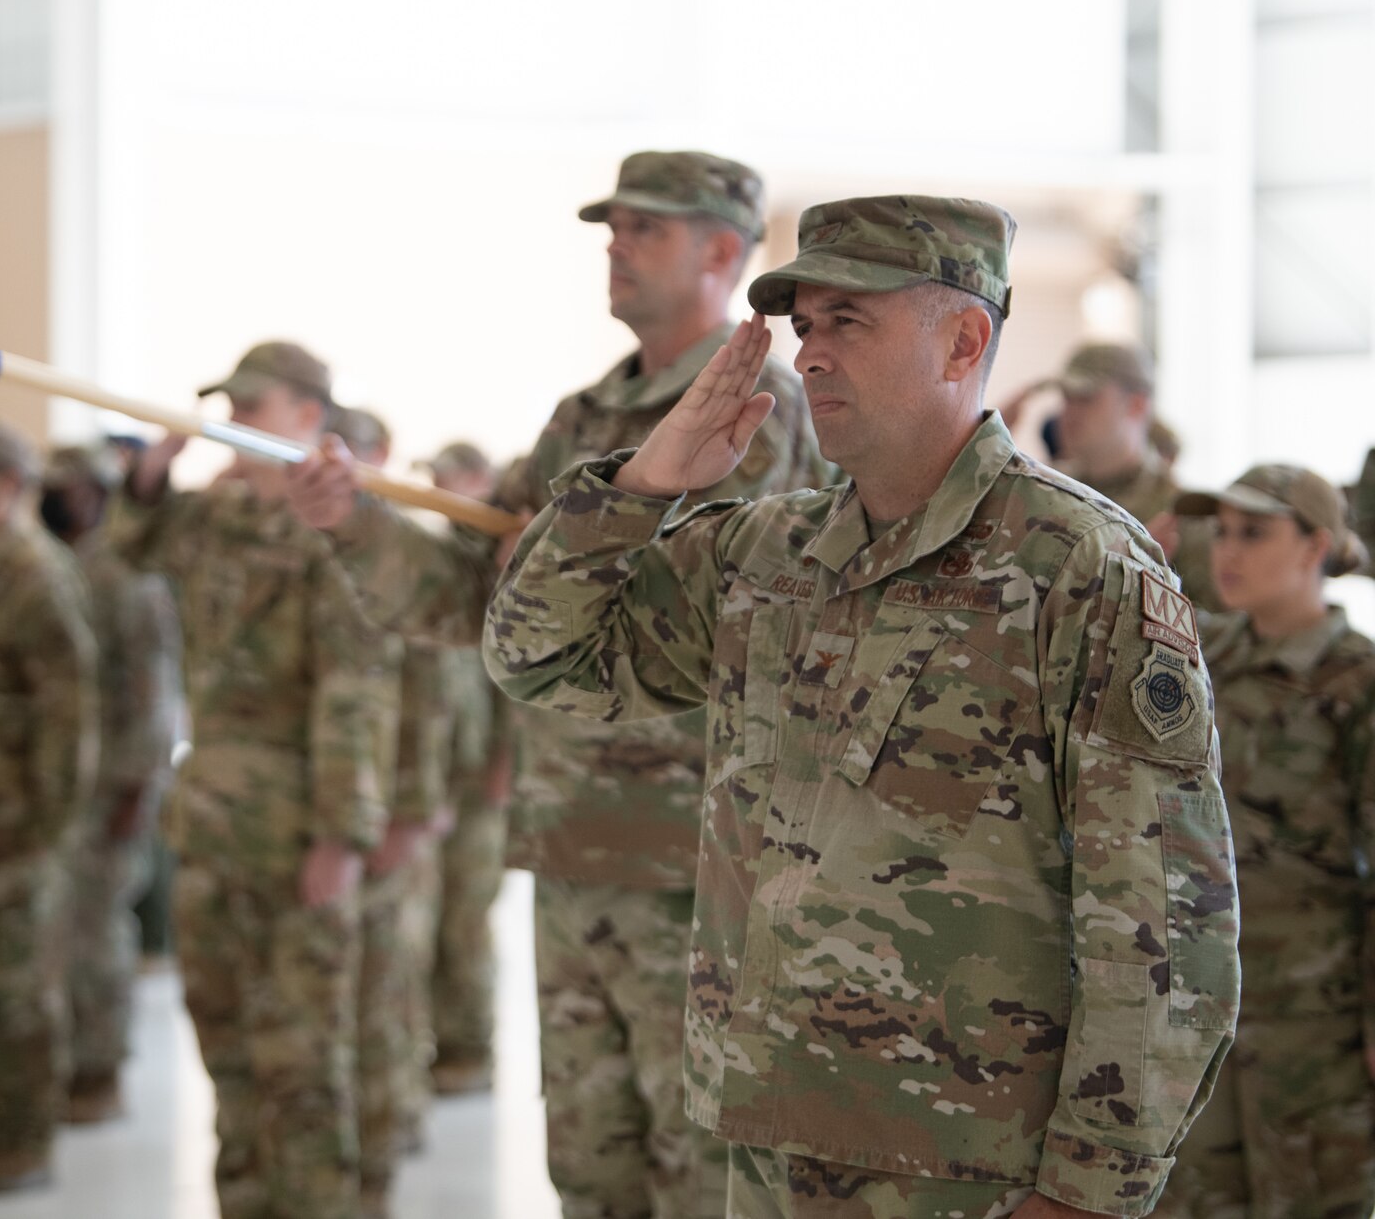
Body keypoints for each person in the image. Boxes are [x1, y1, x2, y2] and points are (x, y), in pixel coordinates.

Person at [479, 195, 1241, 1218]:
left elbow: (1166, 914)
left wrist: (1090, 1190)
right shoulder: (764, 553)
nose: (810, 356)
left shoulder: (1078, 566)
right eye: (804, 326)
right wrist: (646, 484)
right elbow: (535, 654)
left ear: (962, 340)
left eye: (849, 321)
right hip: (767, 1131)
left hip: (966, 1165)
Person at [288, 151, 824, 1219]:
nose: (616, 248)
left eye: (645, 228)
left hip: (698, 858)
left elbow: (702, 605)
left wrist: (555, 554)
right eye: (612, 229)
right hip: (574, 840)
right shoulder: (581, 419)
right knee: (590, 1163)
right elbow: (479, 602)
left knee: (701, 1170)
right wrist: (356, 522)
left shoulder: (755, 412)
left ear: (722, 250)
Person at [115, 342, 392, 1219]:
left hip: (294, 829)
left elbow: (355, 692)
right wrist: (151, 474)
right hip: (211, 827)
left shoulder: (339, 527)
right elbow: (132, 548)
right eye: (227, 408)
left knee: (302, 1065)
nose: (232, 424)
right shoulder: (216, 517)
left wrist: (340, 836)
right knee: (228, 1053)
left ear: (308, 415)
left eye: (250, 407)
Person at [1155, 464, 1375, 1218]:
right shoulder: (1197, 657)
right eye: (1223, 532)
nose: (1229, 550)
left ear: (1316, 546)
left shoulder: (1356, 681)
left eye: (1255, 532)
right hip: (1198, 1015)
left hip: (1315, 1031)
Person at [0, 421, 100, 1193]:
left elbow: (71, 717)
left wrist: (49, 830)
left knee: (20, 992)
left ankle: (25, 1138)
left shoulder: (35, 573)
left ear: (6, 482)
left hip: (18, 825)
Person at [38, 444, 185, 1125]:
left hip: (111, 784)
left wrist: (137, 788)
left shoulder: (128, 577)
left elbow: (155, 694)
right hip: (54, 783)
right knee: (52, 932)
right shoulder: (51, 566)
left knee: (96, 933)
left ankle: (99, 1069)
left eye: (68, 489)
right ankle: (60, 1060)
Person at [332, 406, 440, 1214]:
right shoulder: (323, 543)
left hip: (394, 801)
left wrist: (414, 808)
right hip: (345, 799)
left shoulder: (401, 550)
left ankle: (384, 1130)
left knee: (385, 983)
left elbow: (430, 693)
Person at [417, 442, 513, 1097]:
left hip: (480, 779)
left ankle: (469, 1048)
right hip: (436, 777)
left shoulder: (499, 565)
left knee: (466, 919)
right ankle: (435, 1040)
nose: (442, 488)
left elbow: (515, 681)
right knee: (430, 916)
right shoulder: (440, 561)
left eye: (452, 478)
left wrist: (505, 763)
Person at [1009, 342, 1217, 607]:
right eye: (1066, 398)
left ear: (1137, 405)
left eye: (1086, 398)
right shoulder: (1042, 493)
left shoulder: (1181, 514)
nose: (1069, 412)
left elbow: (1213, 625)